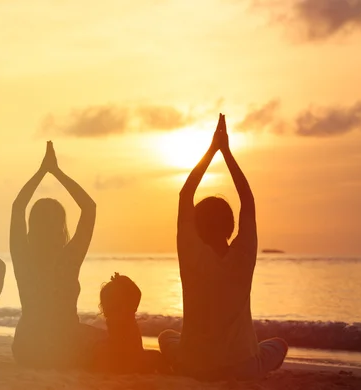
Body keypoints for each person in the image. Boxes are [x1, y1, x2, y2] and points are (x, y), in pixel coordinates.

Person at [158, 114, 288, 381]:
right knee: (278, 345)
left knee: (166, 337)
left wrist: (211, 151)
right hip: (241, 367)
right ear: (230, 227)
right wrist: (226, 152)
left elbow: (185, 194)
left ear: (195, 227)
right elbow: (247, 200)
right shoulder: (243, 256)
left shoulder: (191, 254)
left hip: (192, 366)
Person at [10, 141, 104, 369]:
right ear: (61, 225)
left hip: (26, 348)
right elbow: (89, 207)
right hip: (65, 348)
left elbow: (18, 207)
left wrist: (42, 172)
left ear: (32, 225)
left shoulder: (23, 256)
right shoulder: (69, 258)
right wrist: (56, 172)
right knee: (105, 339)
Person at [93, 273, 171, 374]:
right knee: (156, 356)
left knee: (98, 348)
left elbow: (117, 343)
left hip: (128, 360)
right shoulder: (123, 318)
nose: (134, 310)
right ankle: (169, 374)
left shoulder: (116, 319)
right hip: (131, 360)